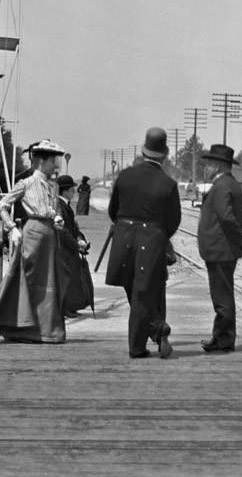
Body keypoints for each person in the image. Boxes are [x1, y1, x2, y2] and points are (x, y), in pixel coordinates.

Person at [105, 128, 181, 359]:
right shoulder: (168, 184)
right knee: (144, 292)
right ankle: (152, 334)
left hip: (124, 238)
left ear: (143, 150)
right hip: (152, 241)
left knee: (134, 291)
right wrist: (158, 235)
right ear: (164, 155)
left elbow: (113, 211)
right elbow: (173, 221)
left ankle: (152, 332)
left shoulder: (125, 176)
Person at [0, 140, 69, 343]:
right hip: (32, 234)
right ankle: (22, 328)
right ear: (41, 161)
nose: (56, 165)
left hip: (50, 235)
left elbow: (55, 209)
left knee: (50, 280)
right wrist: (11, 228)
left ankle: (48, 331)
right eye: (52, 161)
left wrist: (57, 218)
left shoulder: (54, 186)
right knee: (28, 278)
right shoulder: (25, 183)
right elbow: (1, 206)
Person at [197, 144, 242, 352]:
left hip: (220, 249)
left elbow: (227, 217)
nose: (206, 168)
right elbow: (237, 216)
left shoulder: (221, 186)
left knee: (222, 296)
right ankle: (221, 337)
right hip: (223, 248)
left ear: (218, 166)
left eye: (209, 164)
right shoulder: (231, 184)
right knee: (222, 294)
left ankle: (224, 340)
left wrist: (239, 236)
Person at [56, 175, 94, 318]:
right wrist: (76, 245)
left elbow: (73, 229)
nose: (73, 191)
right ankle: (65, 308)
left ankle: (70, 307)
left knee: (72, 279)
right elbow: (63, 231)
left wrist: (80, 239)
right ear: (65, 191)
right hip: (64, 249)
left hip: (69, 248)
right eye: (71, 188)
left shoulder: (65, 205)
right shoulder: (60, 207)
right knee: (66, 279)